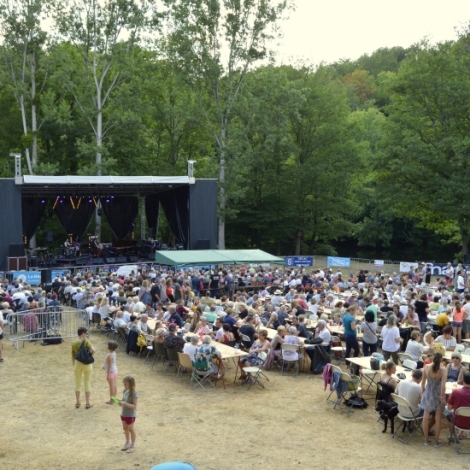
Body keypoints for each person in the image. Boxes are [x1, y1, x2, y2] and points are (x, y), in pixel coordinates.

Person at [421, 352, 447, 447]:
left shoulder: (426, 367)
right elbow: (443, 386)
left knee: (425, 416)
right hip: (438, 393)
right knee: (438, 417)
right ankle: (436, 441)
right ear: (441, 360)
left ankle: (426, 440)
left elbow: (423, 383)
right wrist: (442, 396)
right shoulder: (443, 370)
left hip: (428, 391)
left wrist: (422, 394)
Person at [71, 327, 95, 409]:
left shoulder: (74, 343)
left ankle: (78, 402)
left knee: (78, 383)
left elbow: (73, 356)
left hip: (77, 363)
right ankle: (87, 403)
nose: (86, 335)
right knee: (87, 383)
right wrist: (89, 356)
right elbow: (93, 350)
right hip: (87, 364)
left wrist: (74, 365)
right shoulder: (86, 341)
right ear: (83, 333)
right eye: (86, 333)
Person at [447, 371, 470, 440]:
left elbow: (449, 407)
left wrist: (456, 405)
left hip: (458, 421)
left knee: (448, 413)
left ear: (463, 380)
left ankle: (455, 436)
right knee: (466, 411)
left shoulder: (456, 392)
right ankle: (460, 434)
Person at [119, 375, 138, 453]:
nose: (124, 385)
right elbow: (123, 400)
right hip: (124, 413)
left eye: (125, 384)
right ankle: (127, 442)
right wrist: (119, 402)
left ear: (130, 384)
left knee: (131, 429)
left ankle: (133, 444)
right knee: (125, 428)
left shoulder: (134, 393)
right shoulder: (125, 391)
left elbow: (134, 406)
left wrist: (124, 403)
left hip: (130, 415)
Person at [104, 340, 119, 405]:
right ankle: (114, 398)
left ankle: (111, 400)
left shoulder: (110, 355)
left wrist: (108, 375)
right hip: (114, 370)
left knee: (111, 386)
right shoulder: (114, 353)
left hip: (111, 372)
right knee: (114, 385)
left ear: (110, 347)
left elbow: (109, 365)